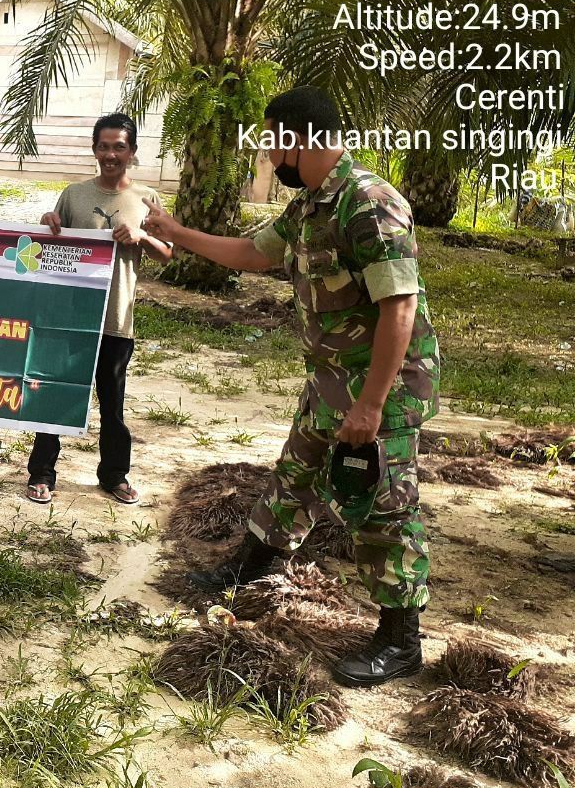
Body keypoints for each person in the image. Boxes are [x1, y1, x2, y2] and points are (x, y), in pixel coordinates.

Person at [139, 86, 441, 688]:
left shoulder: (369, 204)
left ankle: (401, 640)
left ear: (299, 138)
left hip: (382, 389)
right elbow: (252, 253)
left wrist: (372, 405)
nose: (269, 159)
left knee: (384, 508)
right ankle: (251, 570)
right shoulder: (310, 209)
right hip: (331, 381)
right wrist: (177, 231)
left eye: (273, 144)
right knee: (294, 476)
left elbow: (399, 309)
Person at [25, 113, 172, 507]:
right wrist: (47, 225)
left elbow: (169, 255)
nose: (110, 154)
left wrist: (141, 236)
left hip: (116, 319)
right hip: (70, 320)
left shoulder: (147, 200)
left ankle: (114, 476)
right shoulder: (73, 196)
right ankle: (41, 474)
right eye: (104, 146)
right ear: (94, 150)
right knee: (57, 395)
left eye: (119, 147)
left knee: (113, 404)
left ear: (132, 152)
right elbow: (49, 248)